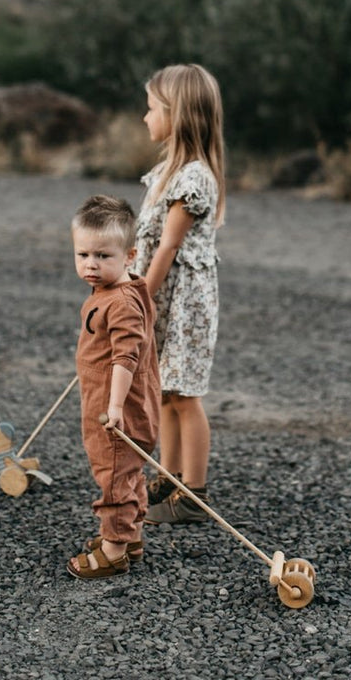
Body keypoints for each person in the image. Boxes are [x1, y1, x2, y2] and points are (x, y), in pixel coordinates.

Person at [134, 63, 226, 525]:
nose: (145, 118)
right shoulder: (165, 173)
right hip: (166, 302)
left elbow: (170, 245)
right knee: (167, 391)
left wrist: (140, 299)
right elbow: (150, 241)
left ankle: (194, 494)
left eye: (152, 109)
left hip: (183, 305)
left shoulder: (193, 178)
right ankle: (166, 478)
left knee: (185, 394)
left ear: (178, 114)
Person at [67, 195, 160, 580]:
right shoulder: (110, 291)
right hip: (107, 399)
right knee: (127, 473)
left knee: (114, 474)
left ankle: (113, 550)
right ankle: (130, 536)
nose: (91, 264)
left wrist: (117, 407)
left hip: (115, 410)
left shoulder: (122, 302)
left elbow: (126, 357)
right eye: (83, 254)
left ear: (130, 255)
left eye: (103, 256)